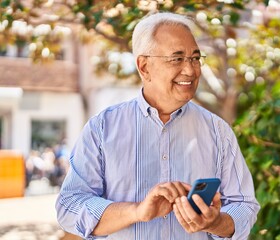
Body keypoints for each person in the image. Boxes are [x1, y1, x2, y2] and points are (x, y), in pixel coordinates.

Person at [56, 12, 260, 240]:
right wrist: (137, 211)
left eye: (195, 58)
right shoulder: (102, 128)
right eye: (177, 58)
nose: (191, 70)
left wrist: (217, 222)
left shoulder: (218, 131)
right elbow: (70, 206)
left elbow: (244, 205)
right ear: (144, 66)